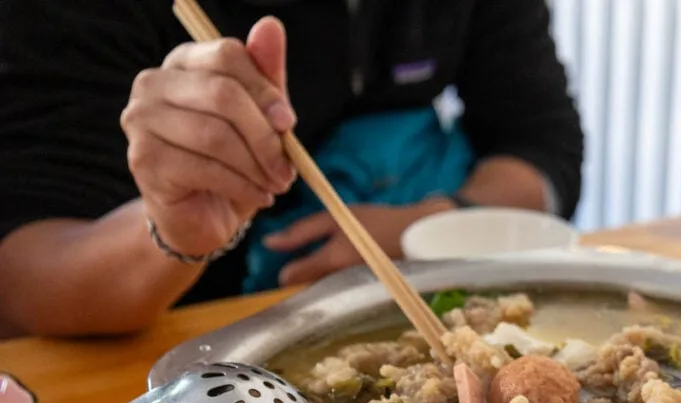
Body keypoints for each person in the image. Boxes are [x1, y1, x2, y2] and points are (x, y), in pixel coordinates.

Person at [0, 0, 583, 338]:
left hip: (408, 318)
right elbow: (24, 270)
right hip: (181, 360)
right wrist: (173, 229)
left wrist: (432, 228)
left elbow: (541, 142)